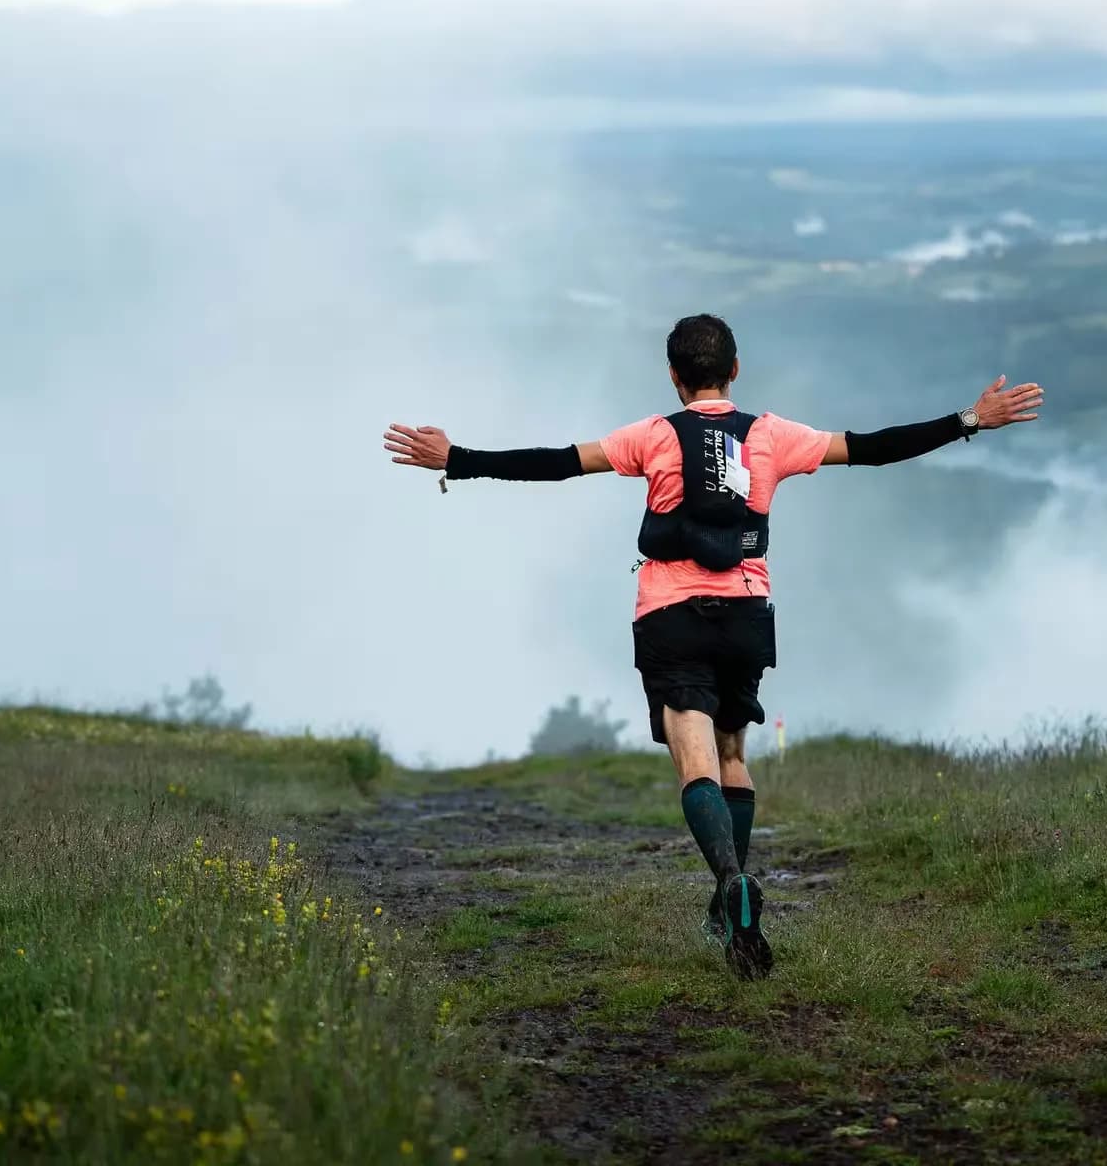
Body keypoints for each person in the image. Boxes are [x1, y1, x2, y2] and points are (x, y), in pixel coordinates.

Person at [382, 314, 1043, 979]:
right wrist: (970, 418)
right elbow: (872, 446)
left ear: (673, 376)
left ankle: (730, 884)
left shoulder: (652, 436)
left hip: (671, 615)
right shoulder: (774, 435)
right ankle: (730, 897)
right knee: (732, 755)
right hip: (747, 614)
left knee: (692, 756)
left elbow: (557, 464)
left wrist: (458, 460)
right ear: (736, 369)